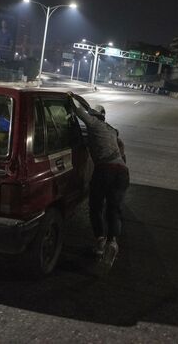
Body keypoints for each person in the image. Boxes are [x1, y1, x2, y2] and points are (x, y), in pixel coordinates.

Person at [70, 93, 129, 264]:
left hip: (105, 169)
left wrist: (70, 98)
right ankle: (113, 242)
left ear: (95, 116)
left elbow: (79, 111)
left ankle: (100, 242)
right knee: (114, 209)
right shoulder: (111, 130)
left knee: (95, 206)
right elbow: (122, 150)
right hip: (122, 171)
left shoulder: (94, 124)